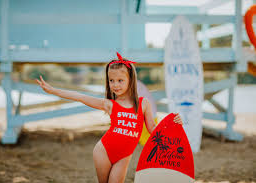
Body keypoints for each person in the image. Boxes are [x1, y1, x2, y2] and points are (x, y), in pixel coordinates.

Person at [36, 52, 183, 183]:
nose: (115, 85)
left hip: (124, 156)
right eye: (111, 80)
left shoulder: (143, 103)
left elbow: (153, 130)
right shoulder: (110, 104)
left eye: (120, 80)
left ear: (130, 80)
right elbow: (80, 97)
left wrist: (173, 125)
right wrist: (53, 90)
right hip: (103, 152)